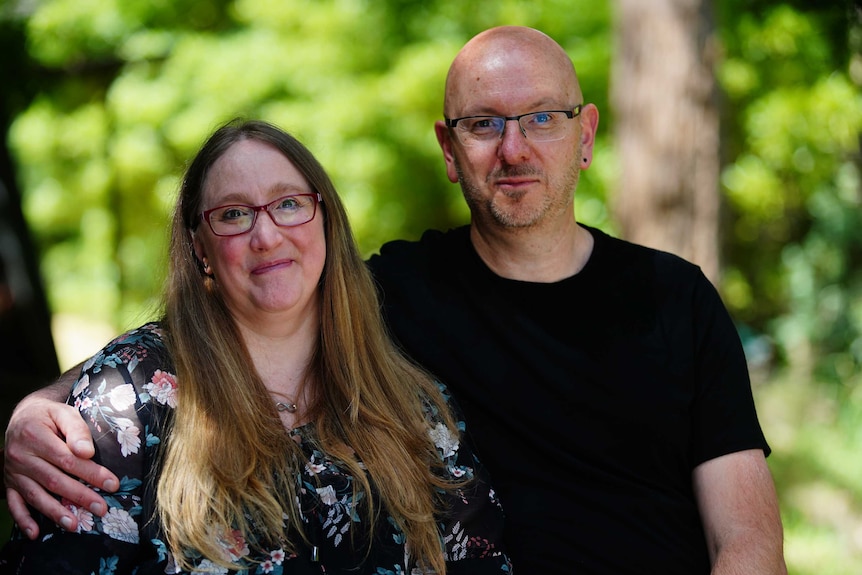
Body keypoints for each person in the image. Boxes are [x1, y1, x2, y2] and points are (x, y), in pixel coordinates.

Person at [3, 25, 786, 574]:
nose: (513, 149)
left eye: (541, 119)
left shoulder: (675, 299)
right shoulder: (397, 292)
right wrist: (38, 405)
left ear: (584, 135)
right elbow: (230, 315)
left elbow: (749, 543)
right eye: (484, 124)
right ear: (449, 150)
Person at [0, 119, 511, 574]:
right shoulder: (131, 400)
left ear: (326, 221)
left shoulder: (413, 408)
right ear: (200, 247)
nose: (265, 236)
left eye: (289, 203)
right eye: (233, 214)